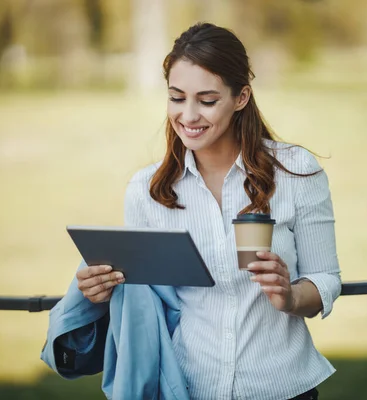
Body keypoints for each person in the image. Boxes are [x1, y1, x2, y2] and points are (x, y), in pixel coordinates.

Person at [74, 22, 341, 400]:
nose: (189, 115)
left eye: (207, 100)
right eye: (177, 97)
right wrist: (103, 290)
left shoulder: (297, 172)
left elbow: (326, 278)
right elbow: (145, 301)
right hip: (186, 387)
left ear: (241, 97)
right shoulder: (146, 191)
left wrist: (291, 296)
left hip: (282, 387)